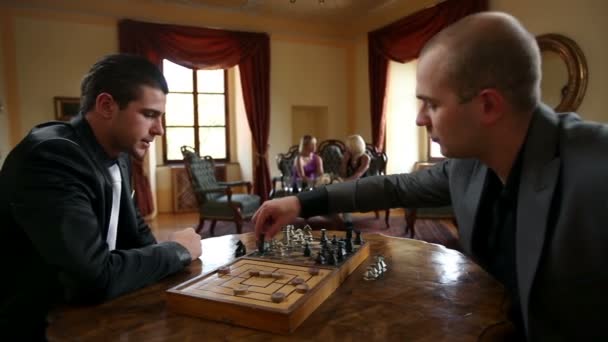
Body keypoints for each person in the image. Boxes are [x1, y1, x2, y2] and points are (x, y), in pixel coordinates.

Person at [253, 12, 608, 341]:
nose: (420, 119)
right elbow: (394, 187)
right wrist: (300, 201)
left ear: (488, 105)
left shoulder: (597, 168)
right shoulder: (469, 164)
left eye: (432, 104)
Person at [0, 54, 202, 340]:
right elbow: (93, 278)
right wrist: (177, 250)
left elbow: (138, 237)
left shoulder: (117, 156)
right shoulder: (53, 156)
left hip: (95, 314)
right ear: (107, 105)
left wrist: (165, 256)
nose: (159, 130)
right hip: (40, 326)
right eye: (149, 114)